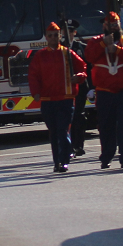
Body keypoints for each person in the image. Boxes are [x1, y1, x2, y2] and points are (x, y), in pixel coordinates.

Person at [28, 22, 87, 173]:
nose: (54, 38)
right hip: (48, 100)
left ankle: (64, 160)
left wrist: (79, 77)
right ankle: (56, 161)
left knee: (63, 130)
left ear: (60, 36)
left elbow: (83, 68)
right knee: (53, 132)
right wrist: (35, 92)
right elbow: (33, 75)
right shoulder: (40, 55)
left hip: (65, 98)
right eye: (51, 36)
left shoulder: (68, 53)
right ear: (46, 38)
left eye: (56, 35)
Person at [85, 12, 123, 169]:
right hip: (104, 92)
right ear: (104, 26)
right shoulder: (95, 42)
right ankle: (106, 156)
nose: (113, 27)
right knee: (105, 126)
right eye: (110, 24)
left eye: (116, 24)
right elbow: (89, 57)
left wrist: (116, 50)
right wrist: (104, 44)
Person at [60, 19, 91, 157]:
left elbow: (88, 68)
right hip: (63, 89)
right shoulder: (58, 48)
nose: (68, 34)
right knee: (66, 118)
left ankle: (78, 145)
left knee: (79, 117)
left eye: (71, 31)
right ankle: (68, 147)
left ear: (75, 32)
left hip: (80, 88)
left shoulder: (81, 47)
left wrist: (91, 88)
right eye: (65, 31)